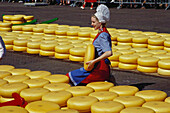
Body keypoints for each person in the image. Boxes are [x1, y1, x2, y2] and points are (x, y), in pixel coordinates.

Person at [66, 4, 112, 86]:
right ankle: (108, 79)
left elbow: (109, 52)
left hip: (99, 68)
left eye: (94, 22)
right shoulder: (102, 32)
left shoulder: (103, 35)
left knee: (69, 77)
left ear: (100, 22)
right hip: (99, 66)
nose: (91, 24)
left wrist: (93, 61)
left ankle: (106, 78)